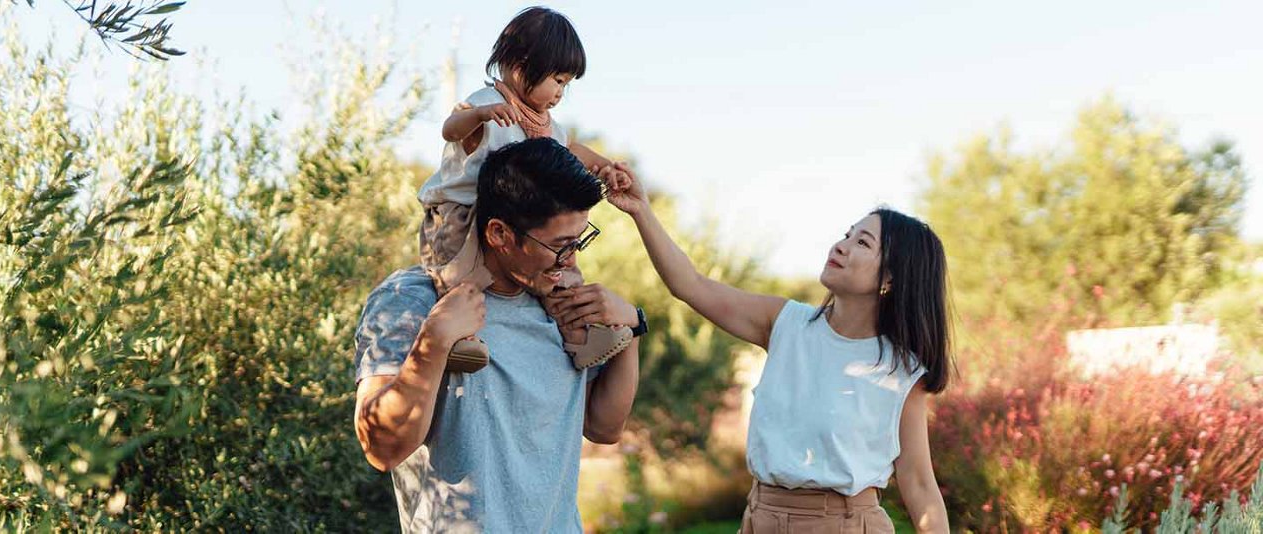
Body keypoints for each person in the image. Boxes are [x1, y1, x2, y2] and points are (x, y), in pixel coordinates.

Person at [603, 170, 953, 533]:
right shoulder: (786, 323)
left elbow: (919, 484)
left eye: (862, 243)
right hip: (761, 518)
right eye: (846, 235)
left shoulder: (900, 370)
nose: (841, 245)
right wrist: (641, 210)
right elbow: (690, 284)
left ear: (891, 279)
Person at [354, 138, 645, 533]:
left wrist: (631, 329)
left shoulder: (561, 308)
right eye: (560, 246)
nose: (572, 260)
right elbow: (381, 449)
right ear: (500, 234)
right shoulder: (412, 299)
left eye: (579, 241)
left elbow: (603, 428)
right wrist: (434, 342)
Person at [418, 6, 632, 373]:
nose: (561, 92)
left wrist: (604, 166)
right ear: (521, 64)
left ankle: (578, 336)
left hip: (521, 220)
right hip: (460, 210)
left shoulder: (547, 124)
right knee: (457, 273)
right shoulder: (488, 103)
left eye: (566, 84)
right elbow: (450, 129)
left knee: (563, 269)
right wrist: (480, 117)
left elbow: (571, 150)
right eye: (558, 80)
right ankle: (459, 338)